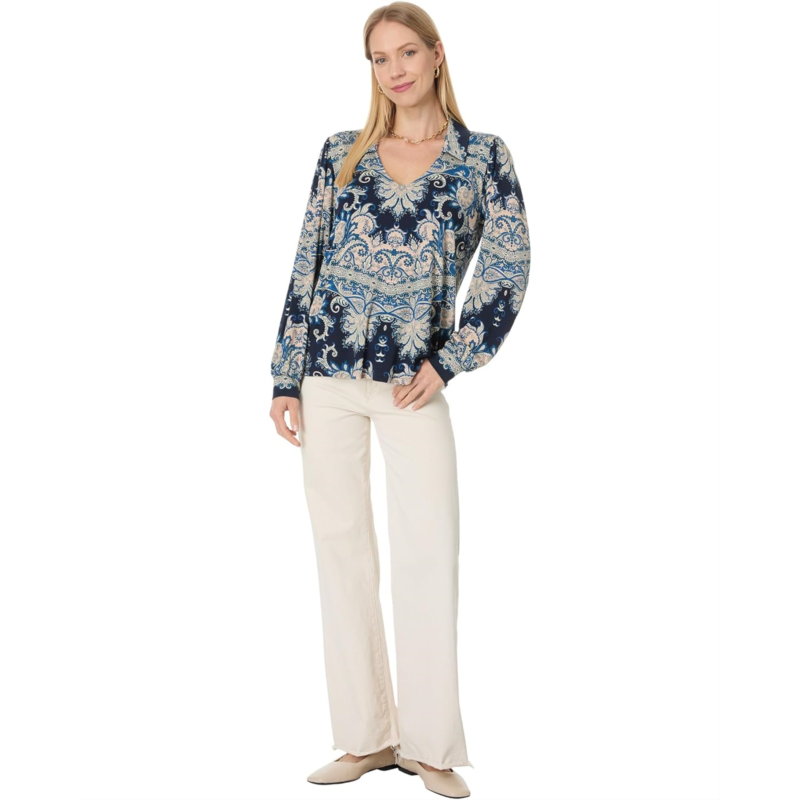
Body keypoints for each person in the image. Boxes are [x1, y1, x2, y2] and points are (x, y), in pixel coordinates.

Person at [269, 3, 531, 797]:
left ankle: (431, 748)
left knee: (427, 553)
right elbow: (307, 260)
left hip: (413, 387)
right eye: (379, 59)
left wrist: (451, 362)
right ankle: (364, 738)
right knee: (340, 553)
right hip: (328, 377)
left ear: (437, 54)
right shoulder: (340, 153)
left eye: (407, 52)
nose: (395, 70)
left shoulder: (482, 157)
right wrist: (285, 375)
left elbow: (509, 265)